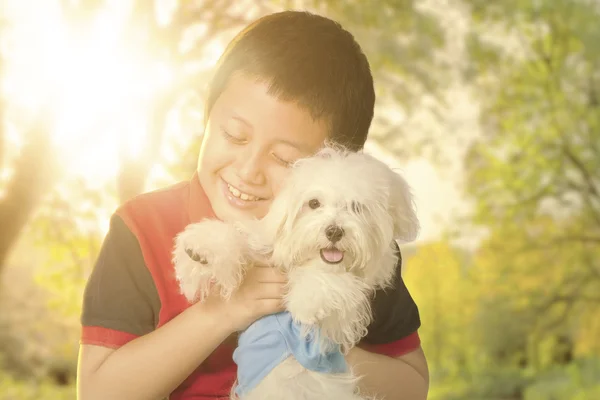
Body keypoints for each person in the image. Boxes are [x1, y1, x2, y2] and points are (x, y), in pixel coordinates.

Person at [76, 10, 429, 400]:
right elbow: (98, 392)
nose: (248, 171)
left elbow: (412, 384)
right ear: (206, 118)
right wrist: (223, 312)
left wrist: (320, 342)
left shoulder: (354, 243)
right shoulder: (142, 227)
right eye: (234, 135)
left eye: (284, 159)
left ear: (336, 163)